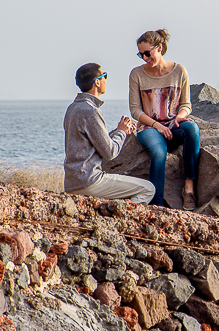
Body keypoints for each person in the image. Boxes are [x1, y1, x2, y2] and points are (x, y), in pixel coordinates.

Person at [129, 29, 200, 210]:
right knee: (159, 153)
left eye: (147, 53)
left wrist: (180, 118)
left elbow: (186, 104)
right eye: (141, 54)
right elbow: (135, 110)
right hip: (149, 127)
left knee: (192, 130)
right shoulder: (136, 74)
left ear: (159, 48)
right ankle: (156, 204)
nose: (145, 58)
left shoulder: (179, 71)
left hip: (173, 124)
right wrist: (157, 126)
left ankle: (189, 189)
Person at [64, 62, 154, 203]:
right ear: (97, 82)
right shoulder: (91, 111)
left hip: (71, 182)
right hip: (89, 181)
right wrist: (121, 132)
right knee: (148, 189)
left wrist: (122, 131)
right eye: (104, 75)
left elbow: (94, 144)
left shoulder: (72, 108)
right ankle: (122, 221)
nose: (106, 79)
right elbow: (110, 152)